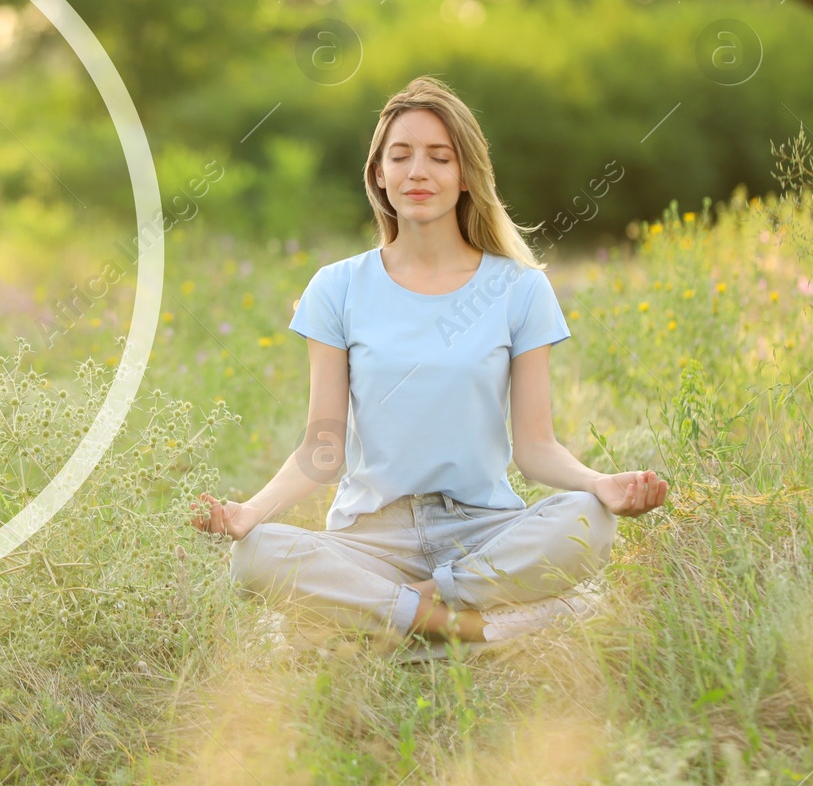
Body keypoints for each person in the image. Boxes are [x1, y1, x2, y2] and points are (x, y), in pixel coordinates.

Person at [189, 76, 668, 654]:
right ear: (378, 174)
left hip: (480, 531)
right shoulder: (336, 288)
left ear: (466, 175)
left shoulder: (519, 289)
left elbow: (536, 449)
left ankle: (378, 621)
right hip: (371, 539)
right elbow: (323, 449)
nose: (418, 172)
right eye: (401, 156)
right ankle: (477, 628)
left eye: (439, 157)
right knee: (255, 555)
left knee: (588, 521)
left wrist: (600, 485)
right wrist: (250, 512)